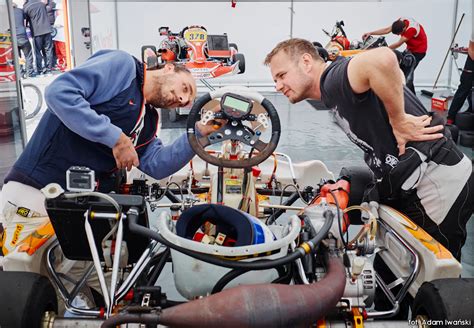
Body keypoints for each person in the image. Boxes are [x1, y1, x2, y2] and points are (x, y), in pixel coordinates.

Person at [0, 49, 216, 271]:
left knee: (90, 295)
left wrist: (198, 133)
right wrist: (117, 138)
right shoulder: (123, 68)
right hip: (37, 194)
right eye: (184, 88)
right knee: (25, 285)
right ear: (169, 68)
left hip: (76, 211)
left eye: (186, 102)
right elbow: (59, 93)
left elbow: (158, 164)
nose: (181, 99)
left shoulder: (149, 121)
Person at [264, 38, 472, 262]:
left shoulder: (332, 80)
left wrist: (399, 119)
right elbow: (395, 75)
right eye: (275, 79)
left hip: (436, 180)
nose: (277, 86)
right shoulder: (332, 89)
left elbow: (383, 59)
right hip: (414, 176)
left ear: (306, 62)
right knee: (394, 271)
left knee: (428, 276)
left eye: (282, 75)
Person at [362, 17, 428, 94]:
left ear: (404, 28)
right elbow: (387, 30)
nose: (398, 35)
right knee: (400, 72)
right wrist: (371, 33)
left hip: (418, 51)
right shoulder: (401, 21)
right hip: (410, 49)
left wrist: (383, 49)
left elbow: (398, 44)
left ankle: (412, 99)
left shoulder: (411, 30)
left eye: (399, 34)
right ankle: (401, 95)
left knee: (407, 75)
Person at [447, 38, 474, 124]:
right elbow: (471, 49)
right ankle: (451, 117)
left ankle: (471, 109)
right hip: (472, 58)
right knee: (464, 87)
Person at [23, 0, 54, 74]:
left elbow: (25, 23)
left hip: (37, 32)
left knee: (37, 52)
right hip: (47, 30)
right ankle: (49, 70)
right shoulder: (41, 4)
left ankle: (40, 70)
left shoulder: (26, 7)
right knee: (48, 50)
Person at [12, 2, 36, 78]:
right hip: (22, 36)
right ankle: (30, 73)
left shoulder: (6, 14)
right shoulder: (20, 10)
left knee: (16, 57)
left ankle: (20, 74)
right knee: (28, 55)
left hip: (12, 37)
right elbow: (25, 19)